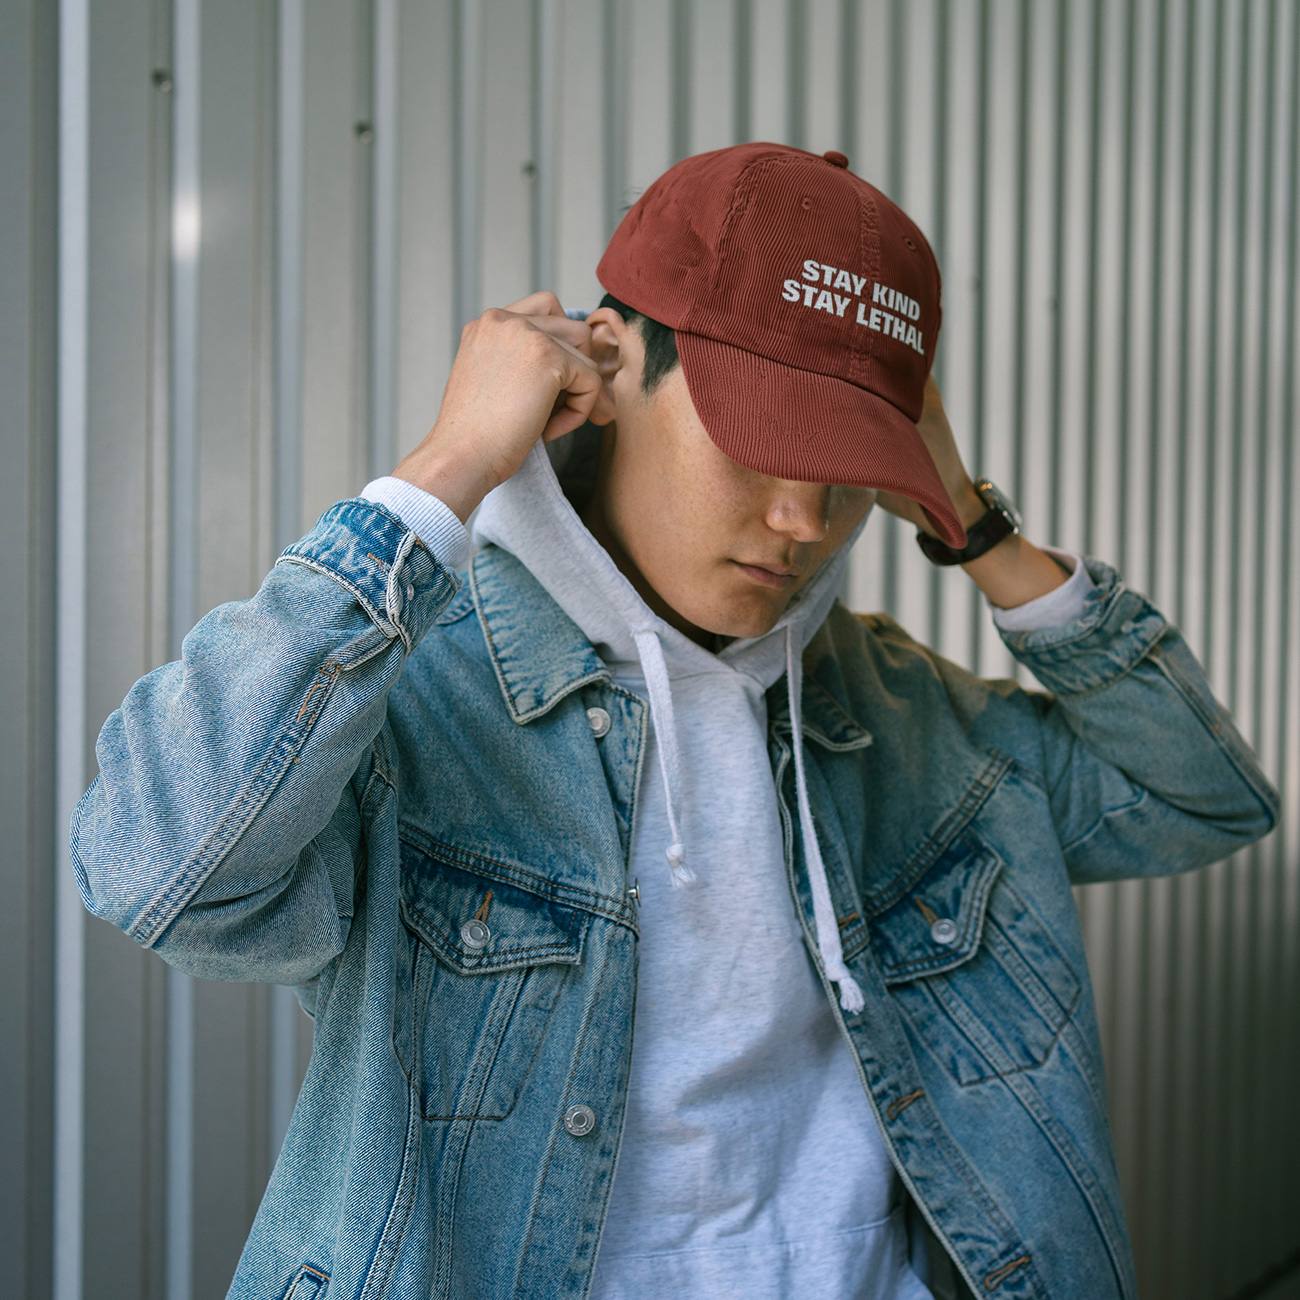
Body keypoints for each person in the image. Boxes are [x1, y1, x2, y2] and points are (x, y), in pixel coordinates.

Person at [72, 143, 1278, 1300]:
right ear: (606, 367)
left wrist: (973, 524)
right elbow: (156, 872)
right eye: (759, 443)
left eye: (848, 468)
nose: (803, 521)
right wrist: (446, 469)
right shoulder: (421, 698)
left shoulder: (892, 709)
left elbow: (1203, 801)